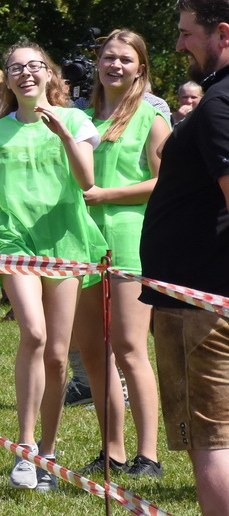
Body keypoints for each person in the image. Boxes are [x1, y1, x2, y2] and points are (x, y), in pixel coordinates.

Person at [0, 42, 105, 490]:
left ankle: (48, 452)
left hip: (66, 240)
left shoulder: (77, 121)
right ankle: (25, 447)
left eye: (34, 66)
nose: (26, 73)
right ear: (7, 80)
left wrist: (63, 133)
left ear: (50, 74)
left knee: (57, 353)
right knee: (33, 332)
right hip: (15, 240)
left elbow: (87, 181)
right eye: (16, 68)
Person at [143, 0, 229, 516]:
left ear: (223, 33)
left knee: (213, 445)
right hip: (196, 299)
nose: (178, 44)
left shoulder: (221, 103)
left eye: (187, 31)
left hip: (207, 307)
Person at [73, 30, 169, 479]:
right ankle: (111, 450)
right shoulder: (81, 119)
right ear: (97, 64)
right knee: (94, 352)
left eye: (125, 59)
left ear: (140, 69)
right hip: (82, 242)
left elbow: (165, 182)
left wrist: (107, 195)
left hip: (130, 241)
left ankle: (148, 455)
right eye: (108, 57)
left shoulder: (152, 117)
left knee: (130, 348)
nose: (115, 65)